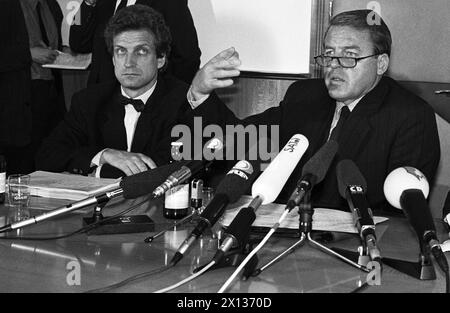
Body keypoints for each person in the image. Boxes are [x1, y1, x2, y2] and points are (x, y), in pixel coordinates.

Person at [186, 10, 441, 213]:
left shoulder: (410, 115)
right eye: (329, 55)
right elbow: (240, 138)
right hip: (283, 235)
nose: (334, 66)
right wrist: (201, 92)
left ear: (381, 64)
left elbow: (401, 207)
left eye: (349, 56)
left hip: (359, 251)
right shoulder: (305, 96)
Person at [36, 5, 193, 178]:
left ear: (161, 59)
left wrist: (99, 171)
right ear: (112, 59)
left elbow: (169, 165)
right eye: (121, 51)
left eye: (141, 51)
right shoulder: (88, 101)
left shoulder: (183, 102)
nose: (128, 62)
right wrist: (104, 155)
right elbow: (47, 155)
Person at [0, 0, 66, 175]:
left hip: (49, 97)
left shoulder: (51, 5)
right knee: (18, 171)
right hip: (13, 105)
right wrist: (28, 54)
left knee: (46, 168)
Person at [69, 0, 201, 86]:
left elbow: (187, 56)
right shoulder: (103, 3)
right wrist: (86, 4)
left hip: (148, 103)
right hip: (101, 100)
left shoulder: (169, 3)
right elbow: (77, 42)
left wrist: (166, 96)